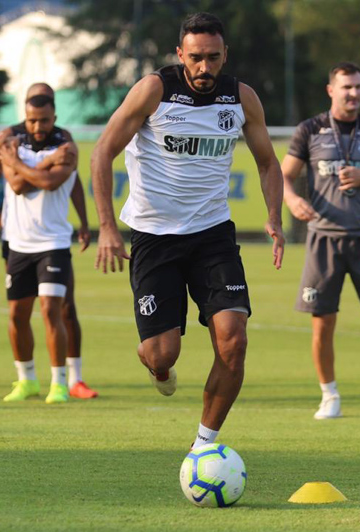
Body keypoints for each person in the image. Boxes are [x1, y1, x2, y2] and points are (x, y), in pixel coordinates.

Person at [91, 13, 284, 449]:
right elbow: (102, 152)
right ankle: (159, 368)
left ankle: (205, 444)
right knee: (162, 355)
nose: (204, 67)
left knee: (233, 341)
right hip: (155, 238)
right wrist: (107, 226)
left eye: (213, 58)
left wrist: (274, 216)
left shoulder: (241, 97)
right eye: (195, 58)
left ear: (224, 55)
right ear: (180, 54)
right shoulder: (154, 90)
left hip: (213, 235)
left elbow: (269, 162)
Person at [282, 62, 360, 420]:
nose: (354, 94)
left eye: (359, 87)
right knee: (322, 325)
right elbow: (284, 177)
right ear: (331, 90)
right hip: (323, 242)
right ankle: (329, 396)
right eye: (347, 88)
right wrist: (292, 200)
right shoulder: (309, 130)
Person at [0, 83, 97, 401]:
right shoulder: (11, 141)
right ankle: (27, 380)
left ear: (54, 115)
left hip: (54, 242)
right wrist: (38, 164)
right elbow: (15, 185)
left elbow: (49, 182)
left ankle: (61, 382)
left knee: (52, 310)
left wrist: (84, 221)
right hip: (17, 243)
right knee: (17, 314)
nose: (38, 126)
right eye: (32, 120)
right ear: (25, 117)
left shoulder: (67, 146)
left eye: (44, 120)